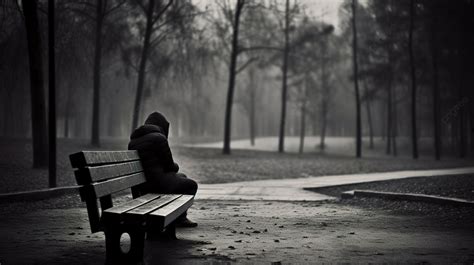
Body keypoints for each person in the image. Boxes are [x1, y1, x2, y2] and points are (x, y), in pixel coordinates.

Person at [128, 111, 198, 228]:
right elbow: (169, 166)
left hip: (143, 185)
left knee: (183, 177)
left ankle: (179, 217)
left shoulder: (133, 141)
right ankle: (180, 219)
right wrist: (175, 166)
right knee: (191, 185)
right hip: (157, 184)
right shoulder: (159, 138)